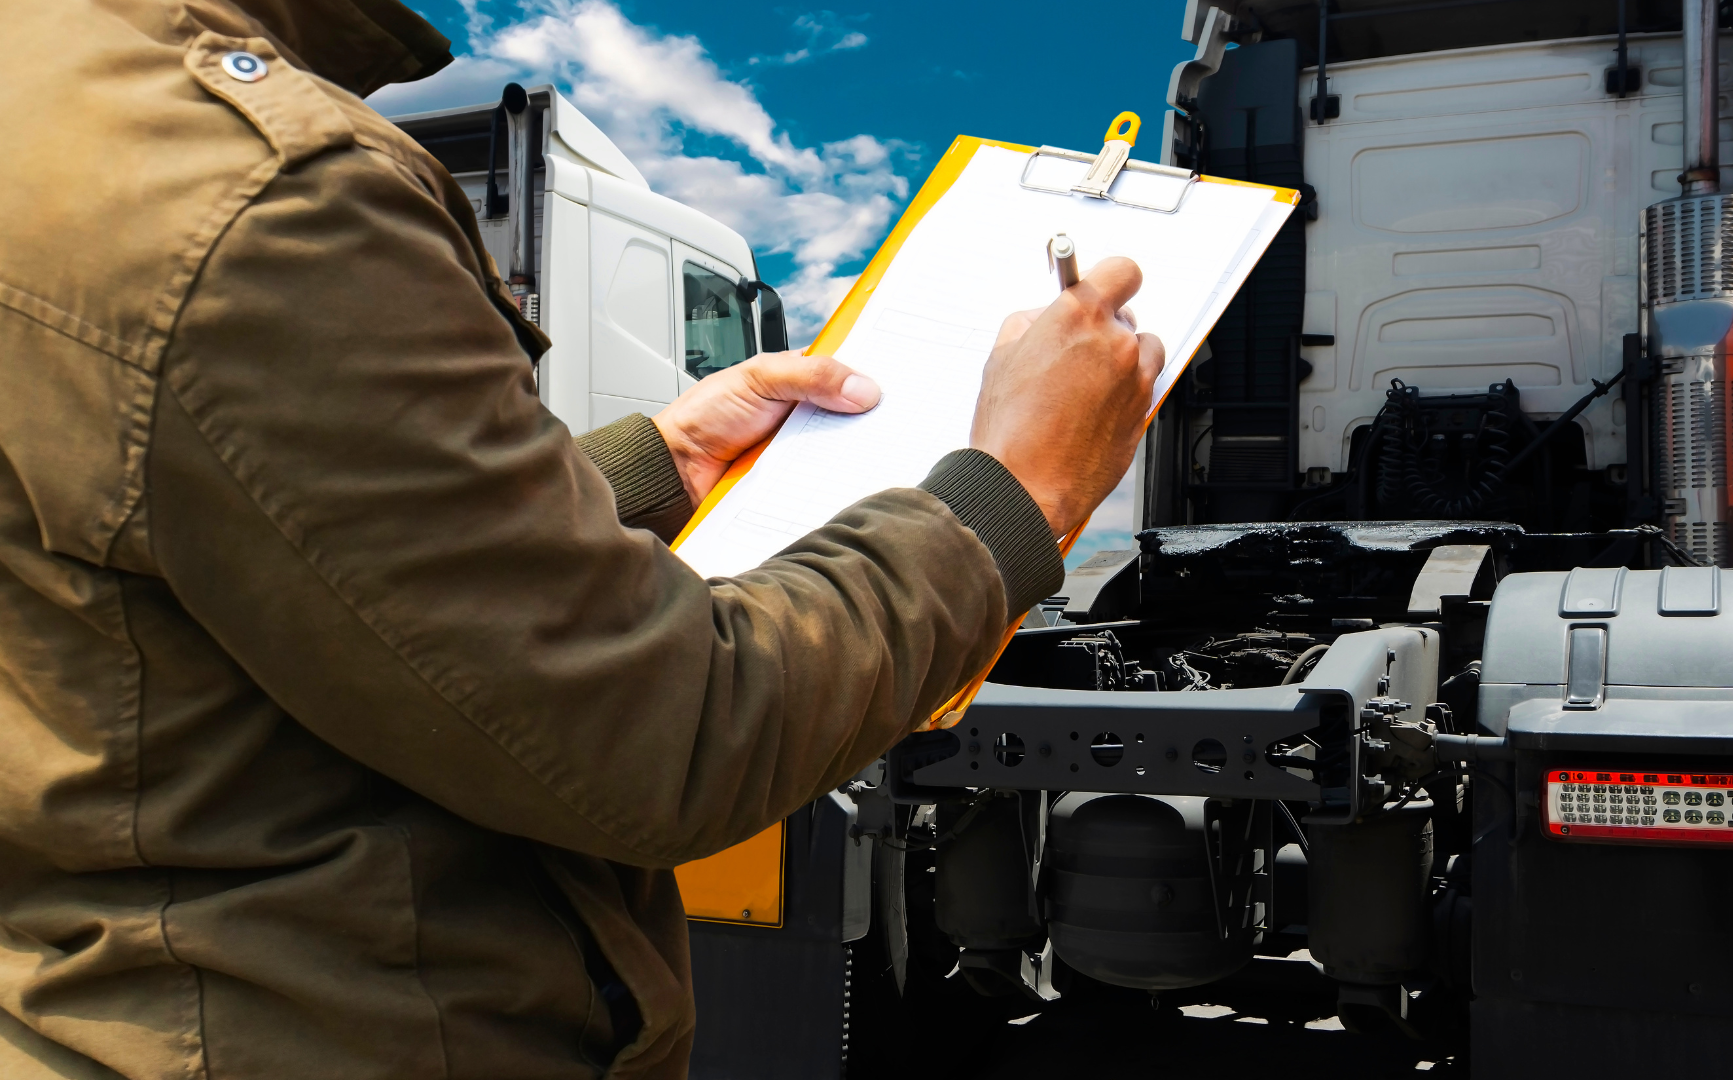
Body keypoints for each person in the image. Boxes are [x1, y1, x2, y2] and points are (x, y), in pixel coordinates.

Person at [0, 1, 1164, 1077]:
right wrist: (1021, 490)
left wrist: (651, 464)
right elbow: (672, 731)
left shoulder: (51, 109)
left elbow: (243, 546)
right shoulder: (257, 197)